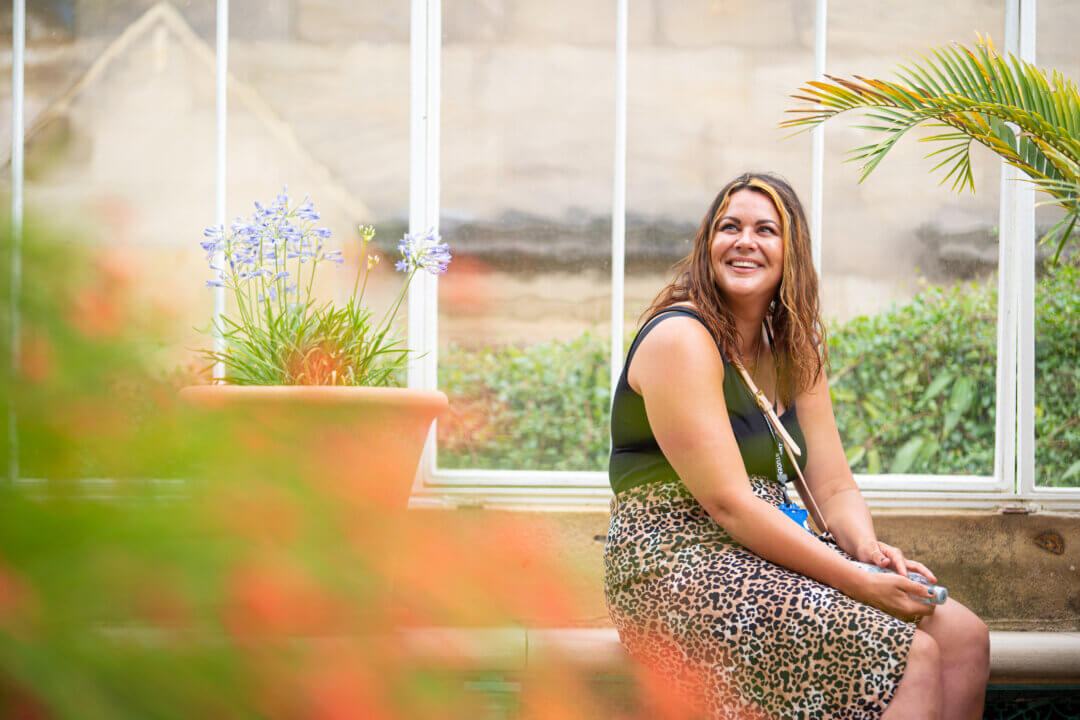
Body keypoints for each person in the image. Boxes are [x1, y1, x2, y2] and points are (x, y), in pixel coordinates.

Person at [603, 172, 989, 720]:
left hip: (764, 547)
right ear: (706, 245)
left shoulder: (794, 347)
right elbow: (730, 504)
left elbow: (832, 484)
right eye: (728, 227)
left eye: (766, 229)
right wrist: (857, 582)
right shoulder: (680, 339)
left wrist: (869, 553)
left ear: (792, 251)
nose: (744, 241)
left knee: (964, 636)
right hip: (676, 560)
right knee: (910, 654)